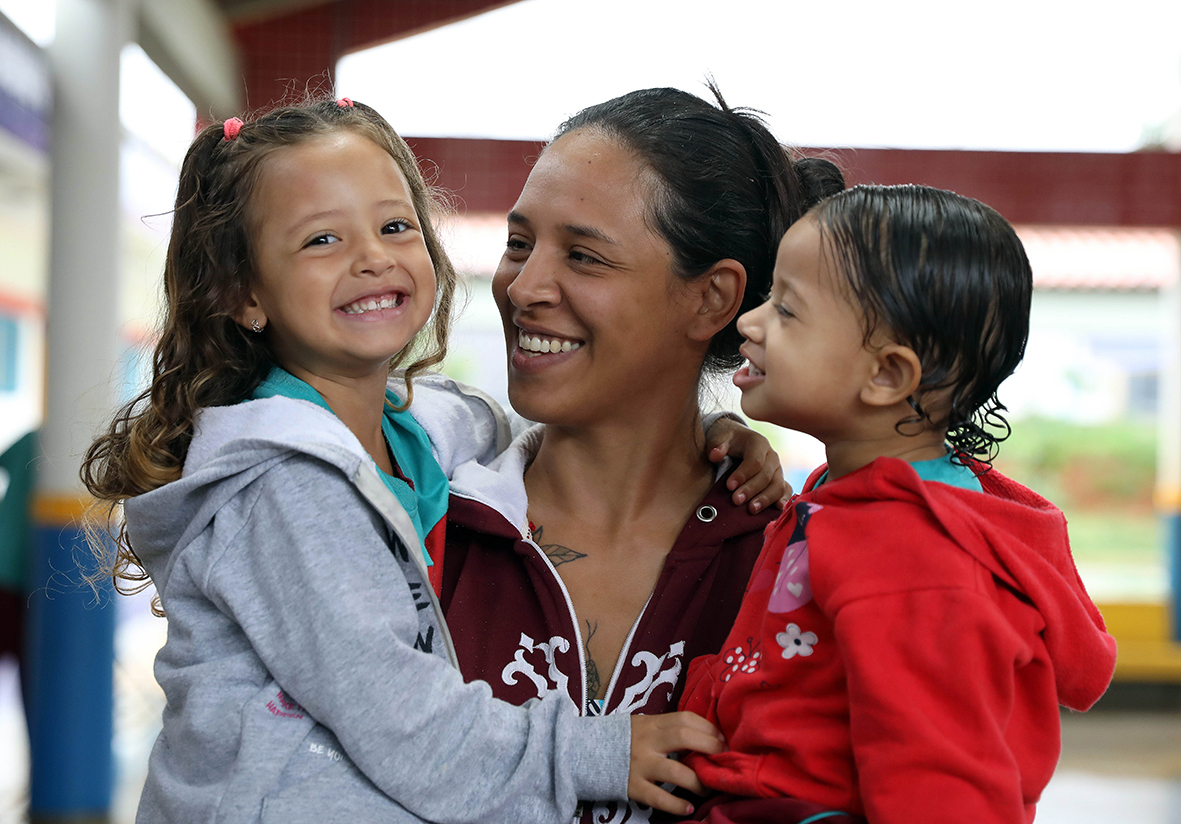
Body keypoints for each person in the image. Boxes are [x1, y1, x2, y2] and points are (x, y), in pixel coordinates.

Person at [79, 98, 729, 824]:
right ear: (244, 293)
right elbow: (400, 717)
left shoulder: (420, 428)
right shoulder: (285, 483)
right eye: (321, 239)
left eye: (395, 226)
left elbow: (580, 419)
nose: (372, 257)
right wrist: (595, 753)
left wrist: (717, 433)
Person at [438, 86, 845, 824]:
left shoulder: (791, 569)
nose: (523, 287)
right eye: (518, 243)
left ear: (710, 299)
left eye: (584, 257)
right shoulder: (421, 525)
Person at [677, 184, 1119, 824]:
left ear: (886, 375)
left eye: (788, 310)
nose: (750, 321)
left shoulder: (916, 557)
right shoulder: (847, 492)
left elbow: (944, 787)